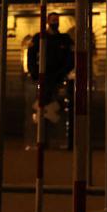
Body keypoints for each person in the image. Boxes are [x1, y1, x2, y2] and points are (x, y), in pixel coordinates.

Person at [27, 13, 75, 145]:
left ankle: (57, 138)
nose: (56, 23)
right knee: (41, 108)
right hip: (43, 79)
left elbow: (71, 59)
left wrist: (62, 73)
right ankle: (42, 137)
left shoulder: (64, 39)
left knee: (57, 109)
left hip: (59, 79)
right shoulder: (39, 38)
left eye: (57, 21)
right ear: (48, 22)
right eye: (53, 20)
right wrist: (35, 73)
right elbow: (31, 56)